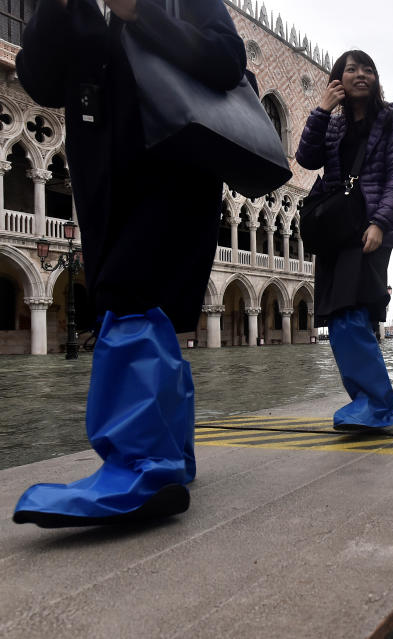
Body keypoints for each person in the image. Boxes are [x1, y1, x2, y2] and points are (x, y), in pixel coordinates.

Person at [12, 0, 247, 527]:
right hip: (102, 186)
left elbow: (228, 61)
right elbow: (42, 82)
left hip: (173, 170)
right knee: (142, 309)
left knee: (129, 300)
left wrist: (141, 12)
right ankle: (172, 456)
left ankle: (141, 469)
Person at [296, 49, 393, 429]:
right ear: (339, 78)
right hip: (337, 229)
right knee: (337, 317)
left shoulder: (390, 123)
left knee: (351, 313)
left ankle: (377, 406)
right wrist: (320, 110)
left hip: (369, 229)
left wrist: (381, 222)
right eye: (351, 69)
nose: (360, 75)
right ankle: (367, 402)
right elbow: (305, 158)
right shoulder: (333, 124)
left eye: (368, 69)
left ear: (377, 79)